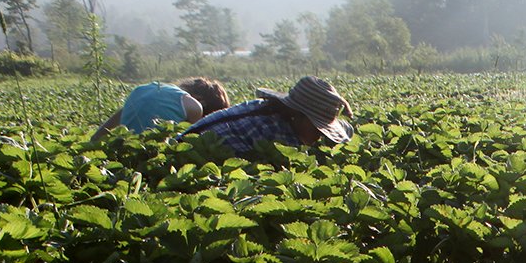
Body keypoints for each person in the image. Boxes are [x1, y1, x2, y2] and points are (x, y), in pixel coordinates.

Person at [179, 75, 354, 158]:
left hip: (185, 144)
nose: (320, 136)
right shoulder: (276, 133)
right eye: (318, 129)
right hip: (188, 155)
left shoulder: (268, 109)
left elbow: (348, 131)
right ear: (298, 115)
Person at [90, 77, 229, 143]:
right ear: (201, 100)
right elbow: (194, 141)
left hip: (125, 146)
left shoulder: (146, 89)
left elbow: (102, 131)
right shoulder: (194, 107)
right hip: (151, 152)